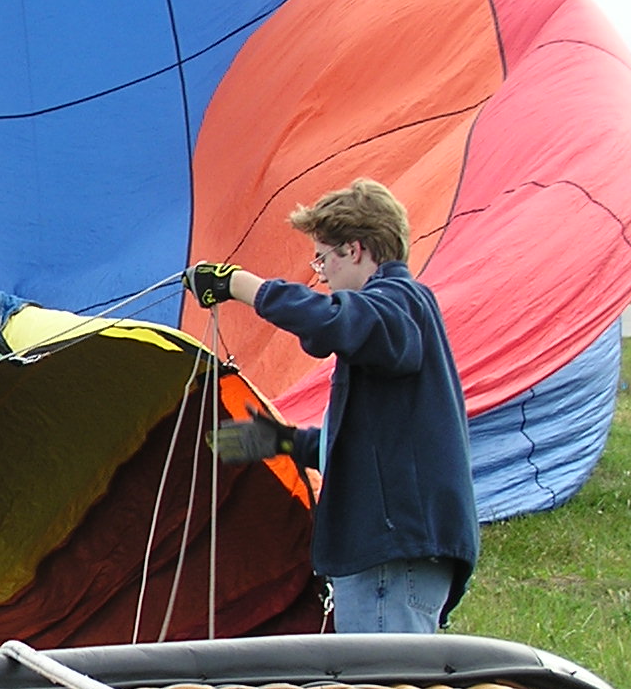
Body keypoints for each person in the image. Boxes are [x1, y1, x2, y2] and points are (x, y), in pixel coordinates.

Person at [188, 178, 478, 633]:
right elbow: (369, 448)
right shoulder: (392, 327)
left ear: (356, 250)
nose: (322, 277)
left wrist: (240, 286)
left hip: (390, 556)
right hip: (393, 553)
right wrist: (281, 440)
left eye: (323, 259)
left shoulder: (396, 304)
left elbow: (332, 321)